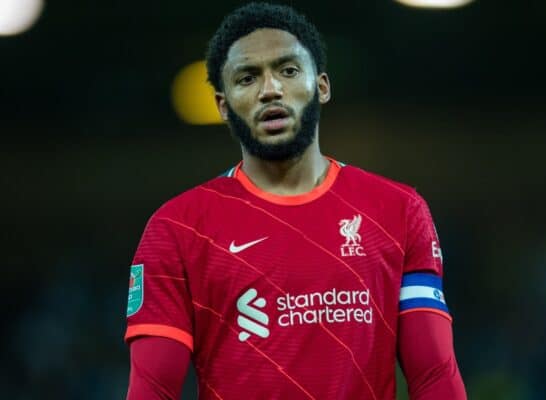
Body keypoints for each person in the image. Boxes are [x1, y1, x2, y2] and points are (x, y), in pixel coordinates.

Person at [124, 3, 467, 399]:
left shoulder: (399, 210)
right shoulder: (177, 229)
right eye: (248, 77)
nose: (270, 89)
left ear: (321, 86)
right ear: (223, 105)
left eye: (288, 71)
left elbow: (435, 376)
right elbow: (153, 391)